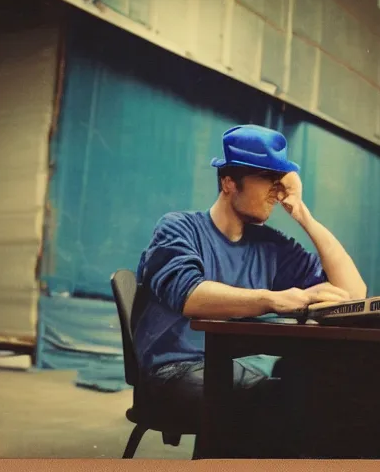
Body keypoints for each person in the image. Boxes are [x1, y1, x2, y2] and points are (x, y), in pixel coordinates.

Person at [132, 124, 367, 458]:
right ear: (230, 183)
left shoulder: (269, 245)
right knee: (275, 412)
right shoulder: (178, 228)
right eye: (269, 182)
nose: (276, 192)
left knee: (314, 399)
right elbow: (191, 296)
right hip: (171, 373)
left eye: (280, 183)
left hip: (233, 369)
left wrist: (304, 215)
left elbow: (353, 291)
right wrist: (273, 299)